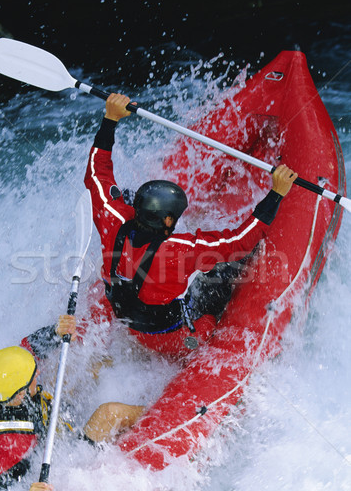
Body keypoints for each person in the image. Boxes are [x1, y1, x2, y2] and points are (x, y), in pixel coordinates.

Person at [84, 93, 298, 356]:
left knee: (121, 200)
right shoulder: (178, 249)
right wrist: (276, 193)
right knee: (222, 276)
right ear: (167, 221)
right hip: (170, 339)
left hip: (127, 320)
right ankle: (199, 339)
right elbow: (238, 241)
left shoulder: (112, 218)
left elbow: (96, 174)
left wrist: (110, 118)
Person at [0, 315, 144, 491]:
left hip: (43, 422)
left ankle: (141, 361)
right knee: (109, 413)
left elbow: (27, 349)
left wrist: (54, 333)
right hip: (63, 458)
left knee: (90, 364)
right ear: (19, 396)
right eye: (32, 377)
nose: (38, 374)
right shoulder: (4, 445)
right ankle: (157, 415)